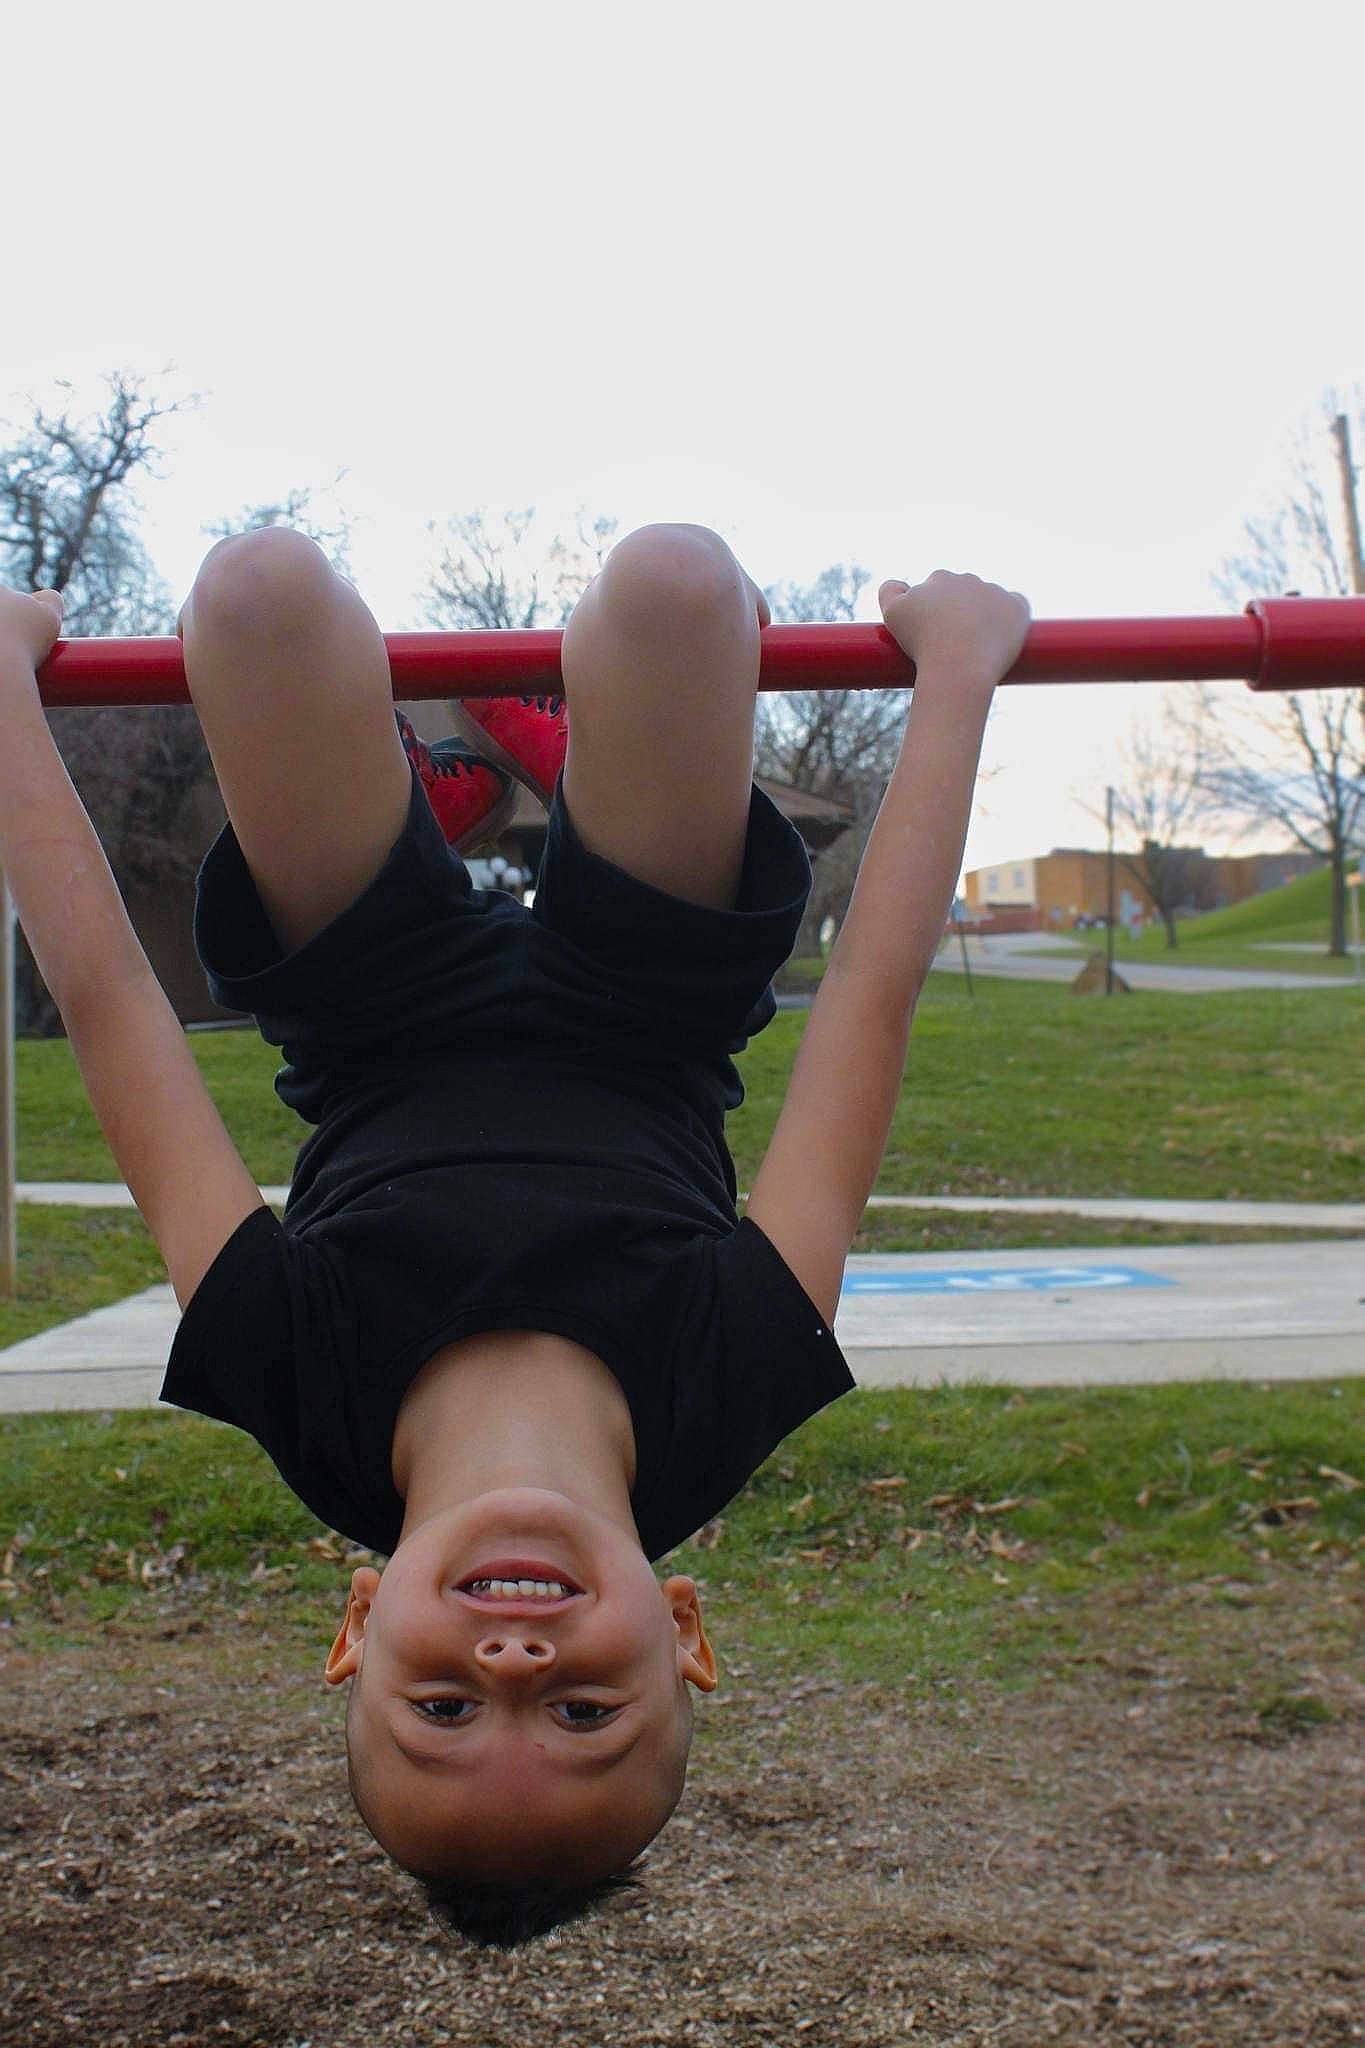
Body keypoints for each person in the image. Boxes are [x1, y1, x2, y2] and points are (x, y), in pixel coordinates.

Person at [0, 525, 1029, 1947]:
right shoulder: (729, 1381)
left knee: (255, 592)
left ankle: (442, 796)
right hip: (646, 1005)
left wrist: (3, 689)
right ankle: (514, 779)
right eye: (582, 1708)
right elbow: (867, 999)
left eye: (442, 1705)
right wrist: (959, 673)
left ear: (355, 1632)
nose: (512, 1657)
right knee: (675, 583)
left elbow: (112, 1002)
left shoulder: (291, 1381)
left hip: (374, 1007)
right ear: (684, 1639)